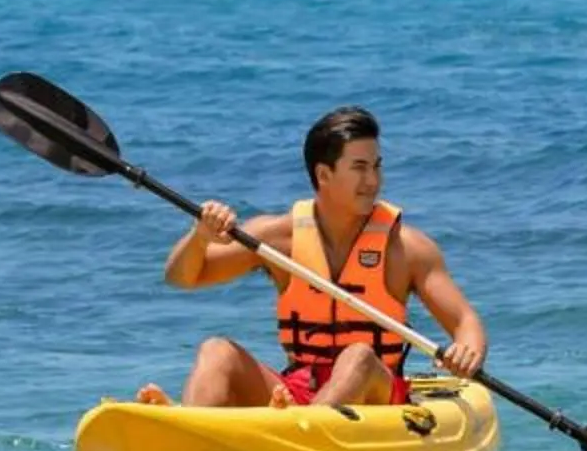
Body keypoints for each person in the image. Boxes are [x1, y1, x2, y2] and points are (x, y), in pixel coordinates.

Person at [133, 106, 488, 409]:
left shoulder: (405, 247)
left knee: (359, 355)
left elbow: (464, 321)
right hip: (299, 389)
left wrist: (467, 350)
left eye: (377, 166)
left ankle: (298, 426)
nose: (373, 180)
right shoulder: (278, 238)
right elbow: (182, 276)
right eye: (360, 167)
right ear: (324, 174)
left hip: (378, 393)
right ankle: (192, 427)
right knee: (216, 352)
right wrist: (200, 237)